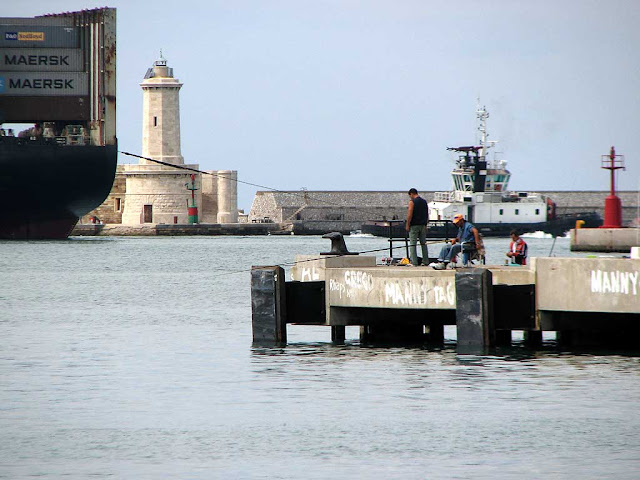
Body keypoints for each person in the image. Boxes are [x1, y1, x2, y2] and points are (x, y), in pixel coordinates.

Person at [405, 188, 429, 266]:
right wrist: (426, 224)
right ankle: (425, 261)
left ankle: (414, 262)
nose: (410, 197)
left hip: (414, 226)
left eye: (410, 196)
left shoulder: (412, 202)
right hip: (423, 225)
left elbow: (410, 214)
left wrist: (407, 224)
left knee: (413, 244)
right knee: (423, 244)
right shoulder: (424, 202)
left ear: (411, 194)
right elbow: (427, 214)